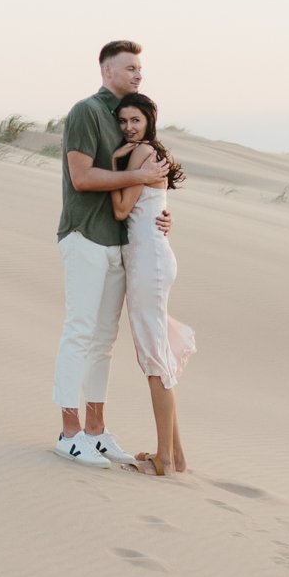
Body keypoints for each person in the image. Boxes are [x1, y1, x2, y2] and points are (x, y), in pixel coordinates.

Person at [53, 40, 173, 467]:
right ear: (106, 71)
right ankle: (69, 433)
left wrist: (157, 212)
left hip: (118, 241)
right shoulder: (87, 111)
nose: (138, 73)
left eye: (140, 68)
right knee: (80, 330)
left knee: (104, 342)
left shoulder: (128, 121)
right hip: (85, 233)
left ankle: (96, 431)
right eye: (129, 67)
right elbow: (81, 177)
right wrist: (139, 174)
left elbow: (140, 187)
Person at [110, 91, 193, 475]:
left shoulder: (139, 154)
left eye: (135, 121)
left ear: (148, 123)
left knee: (155, 359)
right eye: (123, 121)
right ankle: (174, 456)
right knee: (155, 353)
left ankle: (164, 459)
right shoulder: (144, 154)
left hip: (149, 262)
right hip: (150, 259)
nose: (128, 127)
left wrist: (114, 165)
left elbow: (122, 208)